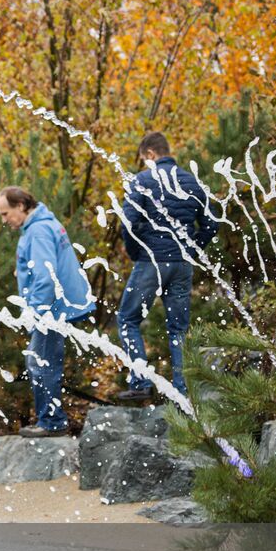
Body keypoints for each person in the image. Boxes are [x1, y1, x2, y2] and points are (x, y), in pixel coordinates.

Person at [114, 132, 216, 401]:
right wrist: (191, 250)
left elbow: (128, 222)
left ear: (149, 154)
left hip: (151, 262)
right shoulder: (192, 181)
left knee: (127, 319)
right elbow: (211, 225)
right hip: (181, 265)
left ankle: (140, 382)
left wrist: (137, 252)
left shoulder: (143, 180)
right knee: (178, 329)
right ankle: (183, 393)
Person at [0, 186, 94, 436]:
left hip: (50, 310)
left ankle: (52, 423)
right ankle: (52, 420)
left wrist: (36, 315)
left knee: (39, 363)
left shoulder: (38, 230)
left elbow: (45, 278)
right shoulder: (42, 223)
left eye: (6, 213)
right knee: (45, 361)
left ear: (20, 206)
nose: (4, 220)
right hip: (57, 307)